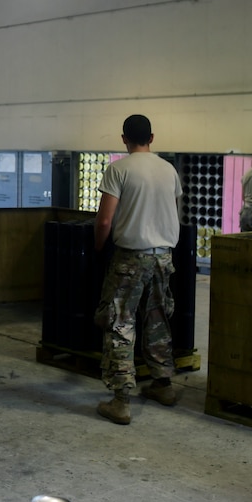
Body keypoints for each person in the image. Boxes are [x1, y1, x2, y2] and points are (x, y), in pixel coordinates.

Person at [93, 114, 183, 425]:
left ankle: (121, 400)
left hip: (131, 258)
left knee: (120, 323)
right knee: (158, 319)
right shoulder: (168, 170)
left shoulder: (119, 169)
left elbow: (104, 220)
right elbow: (171, 209)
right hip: (164, 257)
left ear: (123, 139)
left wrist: (98, 247)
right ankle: (163, 385)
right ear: (152, 138)